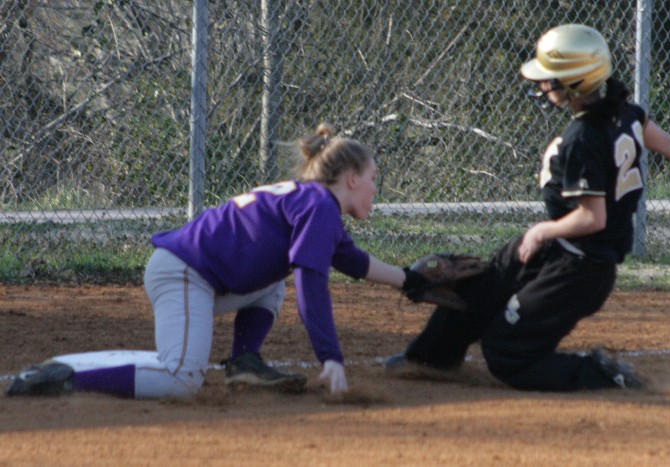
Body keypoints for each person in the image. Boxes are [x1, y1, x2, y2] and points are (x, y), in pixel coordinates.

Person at [385, 24, 670, 391]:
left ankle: (603, 374)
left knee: (505, 351)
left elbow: (592, 217)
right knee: (480, 289)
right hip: (561, 251)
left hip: (580, 268)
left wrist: (541, 230)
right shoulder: (627, 113)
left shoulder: (582, 138)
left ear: (573, 83)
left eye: (550, 79)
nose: (543, 85)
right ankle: (428, 359)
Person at [7, 124, 415, 399]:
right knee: (182, 377)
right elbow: (311, 283)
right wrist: (330, 356)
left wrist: (409, 279)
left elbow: (352, 261)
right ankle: (68, 377)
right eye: (373, 178)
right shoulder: (319, 206)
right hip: (184, 274)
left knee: (276, 275)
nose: (375, 188)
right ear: (351, 179)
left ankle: (244, 361)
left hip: (195, 272)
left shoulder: (310, 200)